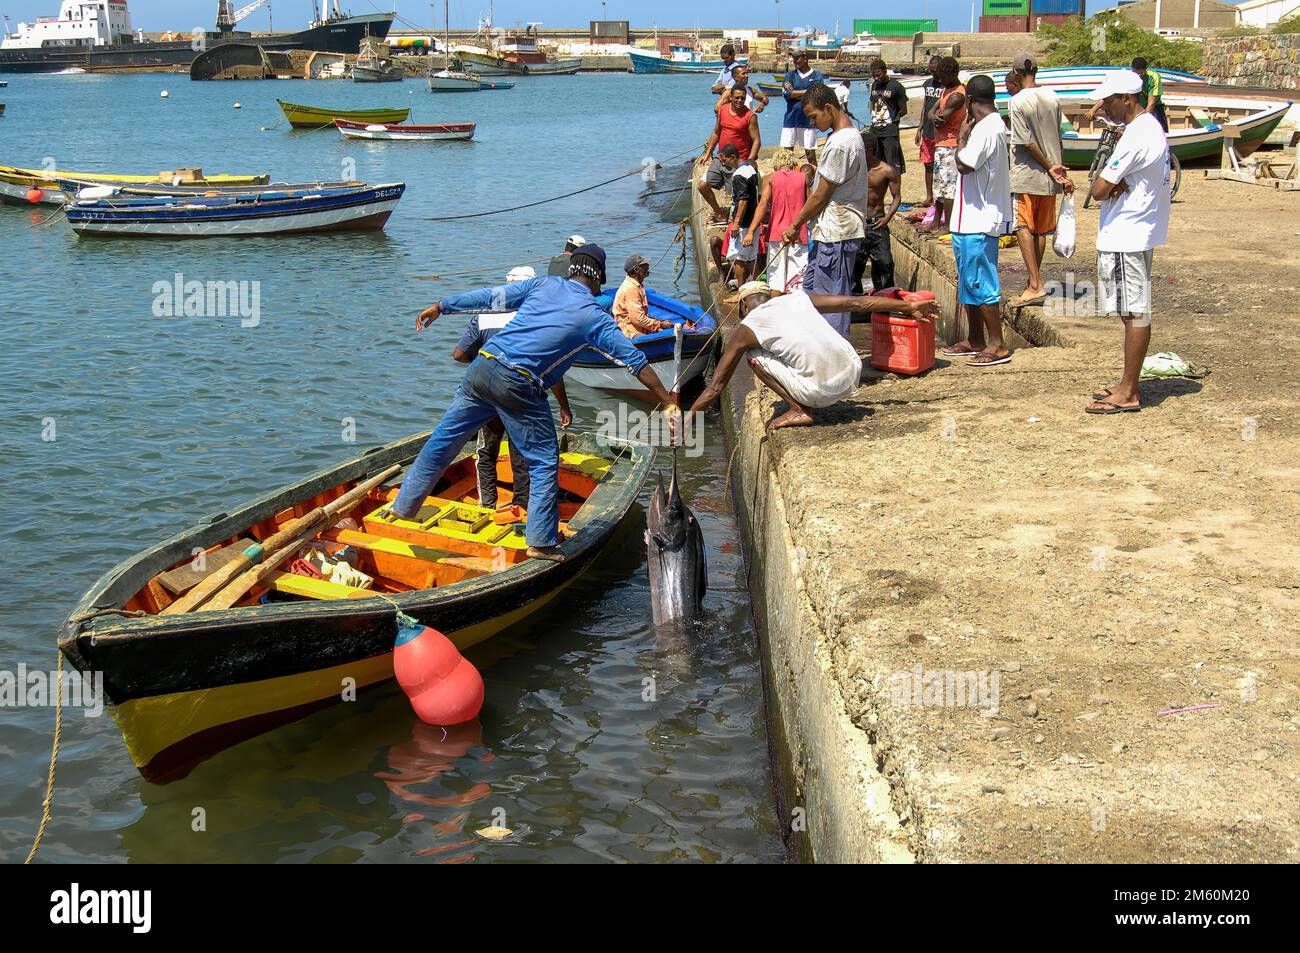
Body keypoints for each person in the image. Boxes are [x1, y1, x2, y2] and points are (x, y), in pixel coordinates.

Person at [399, 245, 680, 562]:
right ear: (599, 277)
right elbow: (634, 361)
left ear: (571, 270)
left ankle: (405, 504)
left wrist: (442, 306)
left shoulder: (544, 285)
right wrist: (667, 401)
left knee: (445, 439)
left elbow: (491, 297)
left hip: (482, 368)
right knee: (544, 460)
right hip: (518, 383)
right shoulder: (594, 317)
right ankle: (541, 541)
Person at [688, 281, 938, 430]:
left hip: (820, 392)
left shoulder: (747, 328)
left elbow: (716, 388)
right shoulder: (798, 299)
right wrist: (909, 306)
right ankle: (806, 394)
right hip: (853, 372)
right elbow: (857, 304)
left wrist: (688, 418)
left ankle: (799, 409)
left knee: (753, 354)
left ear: (744, 305)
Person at [452, 265, 573, 512]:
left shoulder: (485, 316)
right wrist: (564, 406)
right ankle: (522, 505)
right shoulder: (541, 320)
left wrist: (483, 362)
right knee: (522, 452)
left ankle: (487, 504)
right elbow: (552, 370)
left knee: (486, 451)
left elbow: (459, 355)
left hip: (489, 393)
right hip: (522, 397)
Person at [1085, 70, 1171, 415]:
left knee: (1134, 312)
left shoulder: (1136, 136)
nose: (1103, 106)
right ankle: (1127, 384)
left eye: (1108, 100)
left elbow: (1098, 189)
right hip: (1138, 230)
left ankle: (1129, 392)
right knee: (1131, 309)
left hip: (1127, 233)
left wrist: (1109, 181)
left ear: (1126, 99)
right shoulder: (1149, 128)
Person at [781, 82, 868, 339]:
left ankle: (835, 356)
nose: (812, 123)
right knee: (815, 294)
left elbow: (821, 194)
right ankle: (820, 348)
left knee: (832, 301)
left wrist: (795, 224)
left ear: (828, 108)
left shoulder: (843, 142)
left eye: (814, 117)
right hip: (829, 231)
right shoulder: (839, 137)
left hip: (838, 232)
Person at [944, 74, 1013, 367]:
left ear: (970, 101)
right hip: (967, 218)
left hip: (980, 220)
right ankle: (975, 339)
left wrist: (960, 139)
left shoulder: (988, 129)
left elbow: (964, 165)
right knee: (968, 282)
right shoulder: (989, 127)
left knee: (981, 281)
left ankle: (996, 344)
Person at [1005, 53, 1074, 307]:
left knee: (1024, 226)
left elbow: (1026, 141)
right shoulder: (1052, 96)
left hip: (1028, 172)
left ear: (1015, 73)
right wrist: (1059, 169)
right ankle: (1033, 280)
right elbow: (1057, 136)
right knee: (1040, 229)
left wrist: (1049, 166)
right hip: (1051, 173)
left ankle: (1035, 284)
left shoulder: (1018, 101)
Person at [746, 147, 808, 294]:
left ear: (776, 163)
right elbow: (811, 203)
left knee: (776, 280)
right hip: (798, 234)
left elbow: (762, 206)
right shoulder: (803, 178)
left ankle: (776, 310)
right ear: (792, 163)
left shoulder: (770, 178)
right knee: (797, 282)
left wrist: (750, 231)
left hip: (776, 234)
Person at [697, 85, 760, 224]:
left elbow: (756, 141)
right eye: (736, 97)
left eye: (742, 98)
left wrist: (750, 160)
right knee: (702, 185)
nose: (739, 100)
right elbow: (716, 132)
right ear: (730, 97)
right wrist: (707, 153)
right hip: (721, 159)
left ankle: (742, 219)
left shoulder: (750, 116)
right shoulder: (723, 110)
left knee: (739, 196)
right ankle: (719, 214)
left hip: (738, 162)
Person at [852, 130, 902, 295]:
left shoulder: (886, 170)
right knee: (855, 265)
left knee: (884, 263)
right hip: (858, 222)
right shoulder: (854, 169)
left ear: (870, 149)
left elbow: (897, 198)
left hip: (877, 223)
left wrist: (887, 218)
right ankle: (856, 304)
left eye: (861, 149)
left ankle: (885, 301)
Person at [923, 56, 966, 235]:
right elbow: (930, 113)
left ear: (953, 74)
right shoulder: (945, 90)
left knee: (948, 189)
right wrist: (934, 116)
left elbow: (940, 120)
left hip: (951, 144)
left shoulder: (957, 94)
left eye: (943, 76)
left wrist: (935, 117)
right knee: (939, 187)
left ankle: (948, 225)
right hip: (941, 144)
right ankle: (936, 221)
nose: (940, 80)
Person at [781, 50, 827, 168]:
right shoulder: (789, 75)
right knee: (787, 154)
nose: (795, 61)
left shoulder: (817, 76)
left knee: (810, 154)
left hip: (808, 120)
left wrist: (795, 92)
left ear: (805, 58)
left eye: (797, 58)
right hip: (791, 118)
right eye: (793, 59)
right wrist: (807, 91)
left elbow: (817, 95)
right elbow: (787, 93)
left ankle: (814, 179)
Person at [613, 254, 674, 338]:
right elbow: (638, 319)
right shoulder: (631, 288)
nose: (648, 266)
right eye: (644, 266)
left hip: (637, 326)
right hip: (629, 331)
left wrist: (658, 326)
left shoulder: (636, 285)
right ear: (637, 269)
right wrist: (660, 324)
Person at [725, 148, 761, 287]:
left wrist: (736, 223)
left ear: (733, 157)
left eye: (725, 159)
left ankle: (741, 292)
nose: (723, 163)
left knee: (739, 260)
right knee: (752, 259)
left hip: (744, 225)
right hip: (753, 222)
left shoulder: (739, 174)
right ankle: (758, 288)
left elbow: (743, 200)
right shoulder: (751, 170)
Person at [867, 58, 908, 173]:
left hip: (890, 131)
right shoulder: (874, 85)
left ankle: (896, 191)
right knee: (877, 166)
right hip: (875, 130)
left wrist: (891, 120)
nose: (876, 78)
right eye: (874, 75)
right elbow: (873, 104)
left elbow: (904, 110)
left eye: (879, 75)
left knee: (892, 167)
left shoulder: (896, 86)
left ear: (885, 71)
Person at [915, 55, 943, 207]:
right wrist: (919, 128)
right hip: (927, 131)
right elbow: (925, 106)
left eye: (935, 71)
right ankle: (929, 196)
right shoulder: (928, 84)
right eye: (931, 71)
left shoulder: (947, 86)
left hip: (941, 132)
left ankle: (940, 196)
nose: (934, 74)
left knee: (941, 165)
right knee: (928, 164)